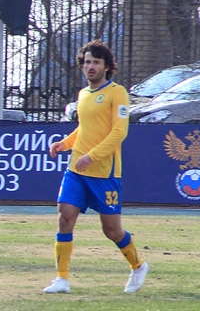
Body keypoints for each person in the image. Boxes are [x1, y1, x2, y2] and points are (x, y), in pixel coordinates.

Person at [45, 40, 149, 294]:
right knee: (65, 216)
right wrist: (65, 143)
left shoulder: (117, 92)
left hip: (104, 173)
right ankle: (62, 279)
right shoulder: (83, 94)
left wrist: (92, 156)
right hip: (76, 171)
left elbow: (119, 131)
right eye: (87, 62)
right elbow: (84, 128)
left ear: (107, 67)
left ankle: (138, 266)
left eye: (96, 62)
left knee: (111, 230)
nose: (91, 67)